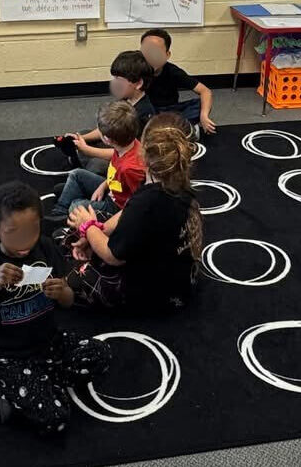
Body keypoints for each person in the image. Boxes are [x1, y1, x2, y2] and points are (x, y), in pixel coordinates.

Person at [0, 182, 110, 434]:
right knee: (56, 417)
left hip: (50, 343)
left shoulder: (46, 248)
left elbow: (68, 301)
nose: (25, 240)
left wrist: (62, 291)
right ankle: (16, 386)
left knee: (101, 354)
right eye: (14, 232)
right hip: (10, 356)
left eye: (32, 230)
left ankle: (34, 385)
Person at [66, 113, 204, 311]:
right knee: (90, 231)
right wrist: (97, 231)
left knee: (73, 278)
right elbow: (126, 213)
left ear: (142, 151)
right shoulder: (177, 185)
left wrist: (88, 227)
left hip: (160, 293)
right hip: (182, 275)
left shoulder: (146, 203)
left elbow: (113, 256)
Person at [57, 50, 154, 173]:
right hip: (116, 143)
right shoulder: (126, 99)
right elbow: (107, 126)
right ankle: (82, 163)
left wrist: (88, 150)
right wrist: (81, 138)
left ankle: (86, 170)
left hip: (127, 157)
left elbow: (130, 153)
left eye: (119, 80)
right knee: (83, 133)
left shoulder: (144, 115)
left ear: (138, 83)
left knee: (97, 165)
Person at [49, 100, 145, 222]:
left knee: (75, 206)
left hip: (116, 206)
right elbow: (115, 176)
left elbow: (137, 202)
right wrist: (103, 186)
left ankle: (69, 206)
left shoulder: (129, 169)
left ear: (107, 140)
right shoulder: (129, 144)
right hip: (112, 189)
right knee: (76, 174)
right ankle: (60, 211)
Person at [140, 29, 216, 138]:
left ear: (167, 55)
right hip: (149, 111)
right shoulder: (137, 70)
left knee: (200, 104)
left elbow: (205, 91)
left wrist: (204, 116)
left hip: (171, 112)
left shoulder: (173, 71)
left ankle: (165, 129)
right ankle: (175, 129)